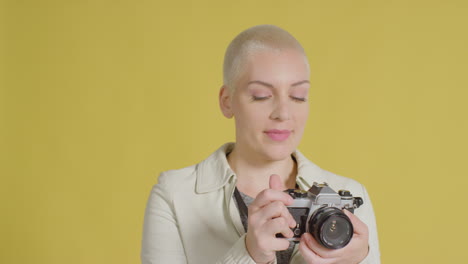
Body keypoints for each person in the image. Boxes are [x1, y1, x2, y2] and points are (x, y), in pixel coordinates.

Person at [141, 24, 380, 264]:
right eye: (262, 96)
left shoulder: (351, 196)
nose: (283, 113)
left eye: (298, 96)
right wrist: (248, 254)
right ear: (227, 101)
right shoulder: (174, 196)